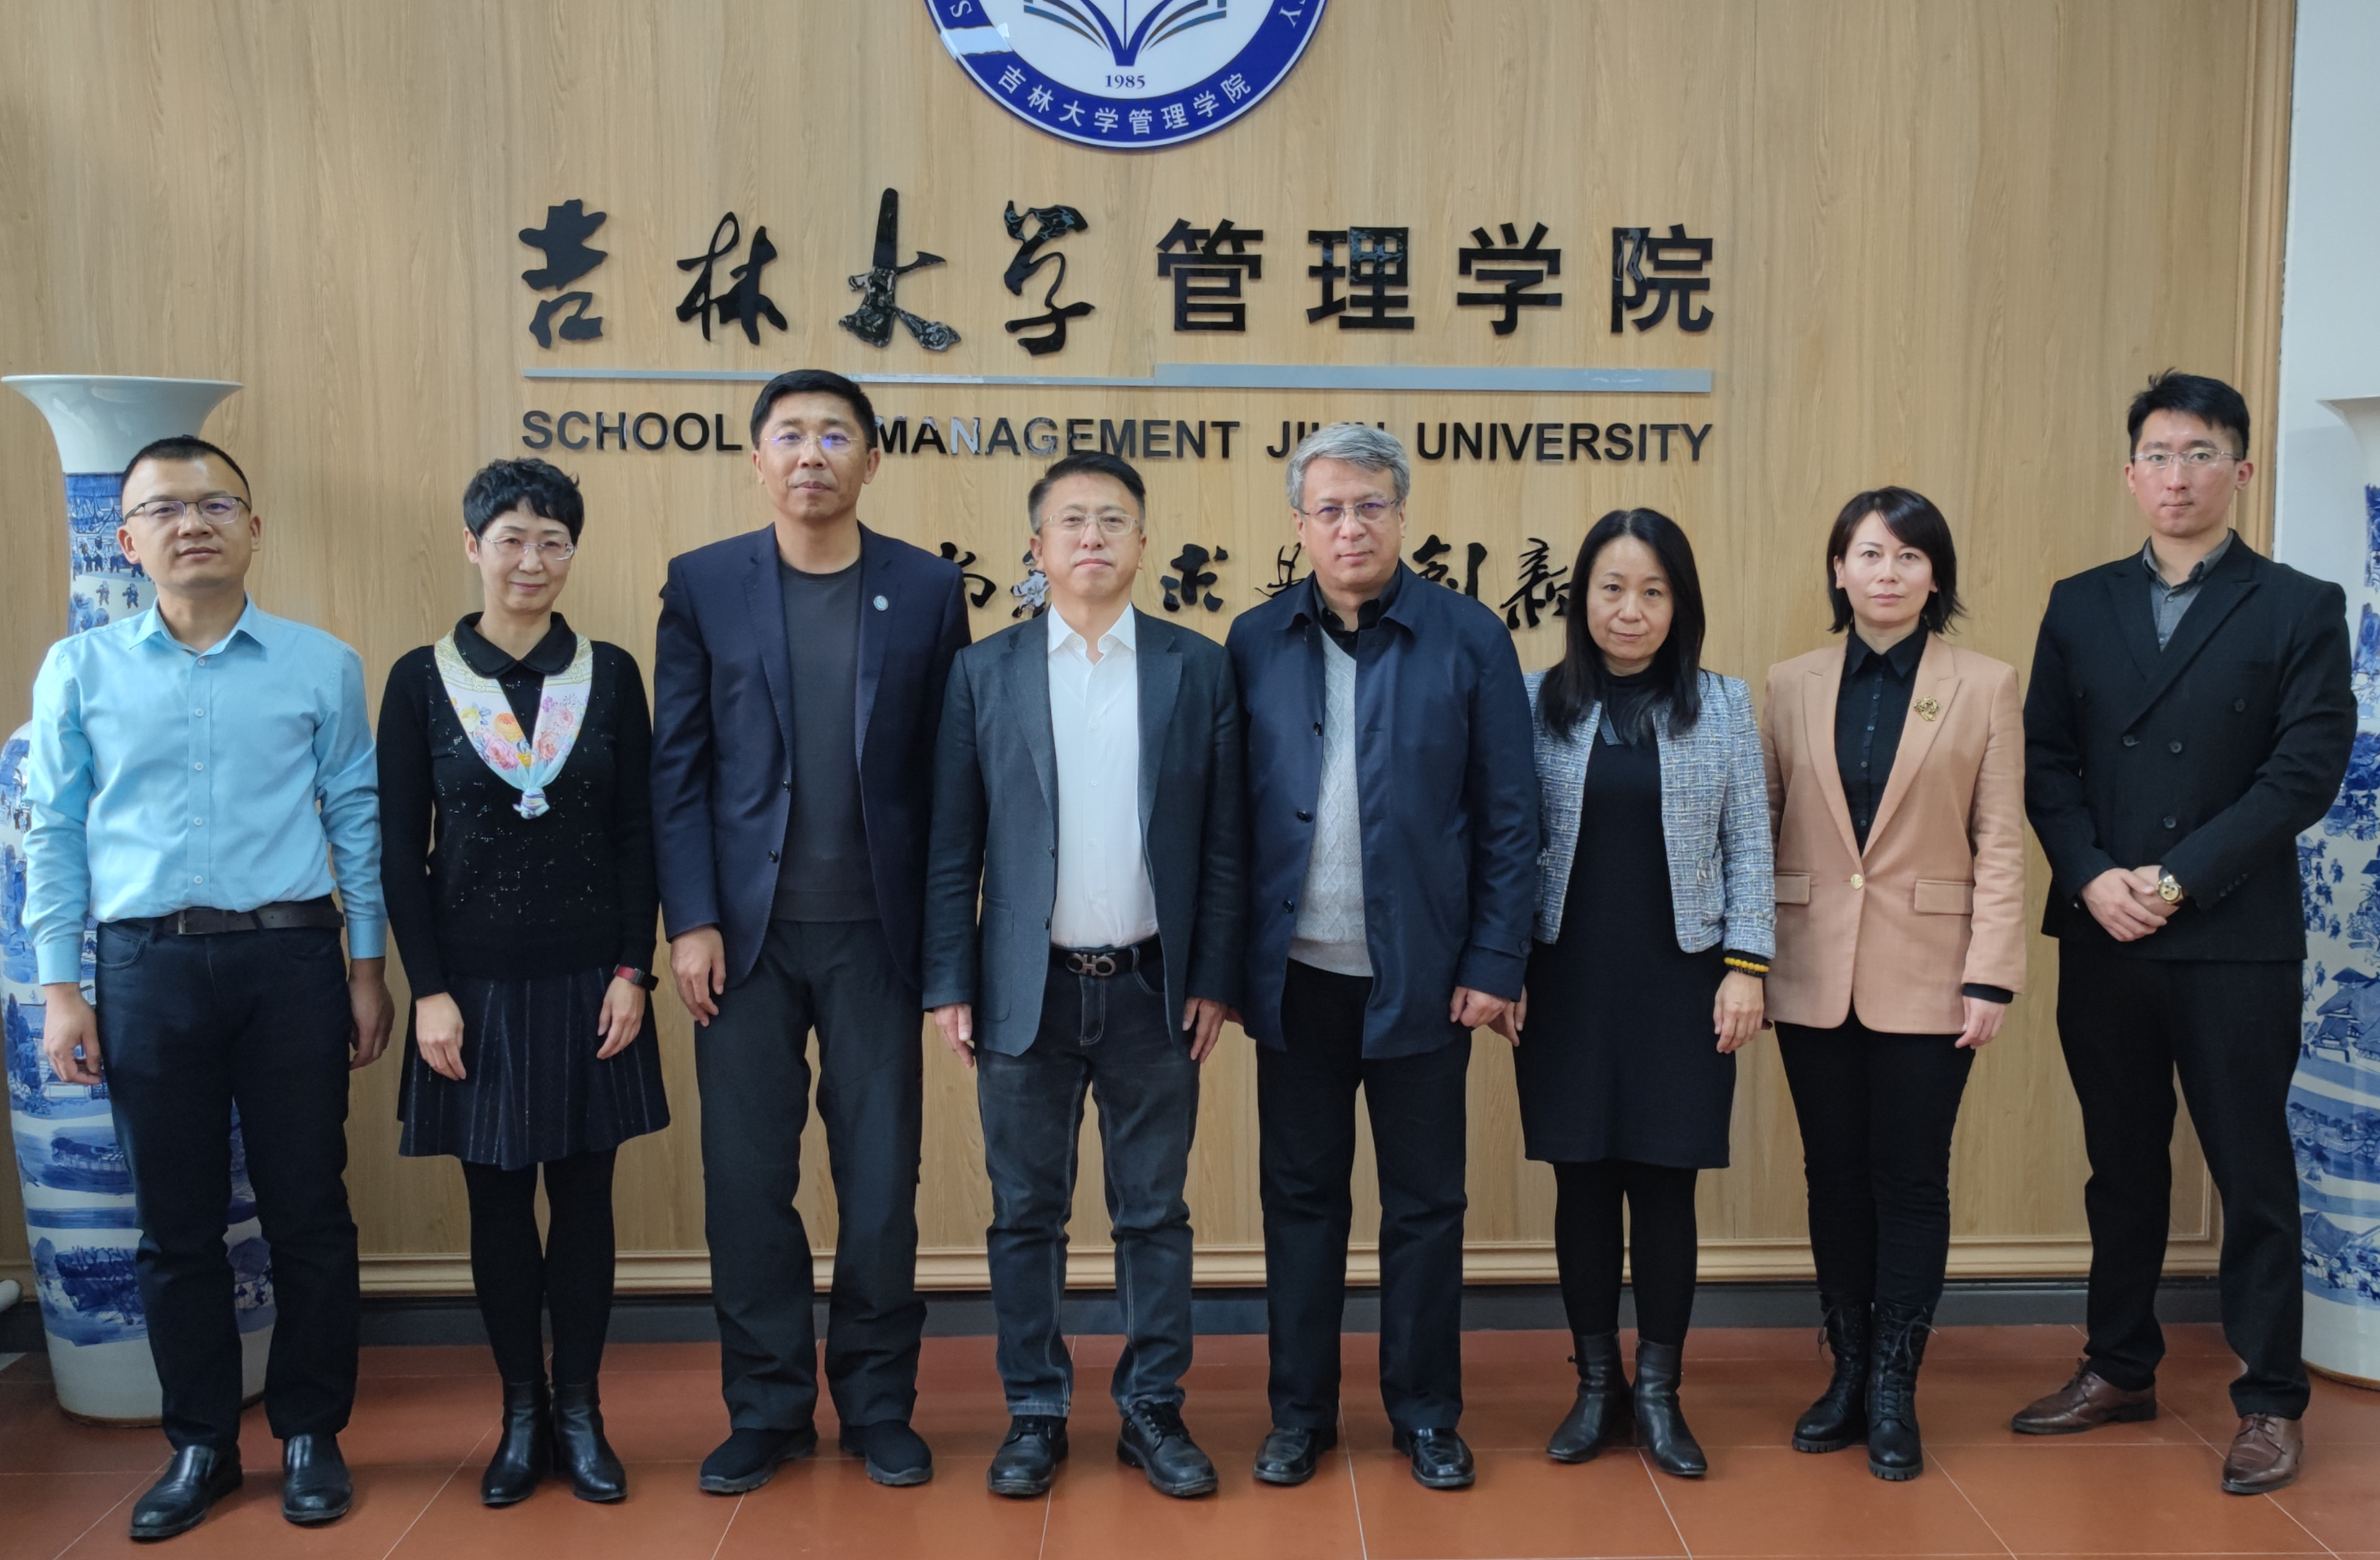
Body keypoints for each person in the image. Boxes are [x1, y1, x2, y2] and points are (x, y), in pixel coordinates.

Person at [25, 436, 393, 1539]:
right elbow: (54, 830)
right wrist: (60, 987)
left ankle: (312, 1430)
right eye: (164, 509)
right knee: (173, 1223)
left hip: (292, 961)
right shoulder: (79, 669)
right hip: (144, 969)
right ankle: (201, 1442)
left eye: (216, 503)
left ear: (253, 527)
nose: (192, 523)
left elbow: (356, 815)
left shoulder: (321, 663)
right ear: (128, 540)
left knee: (309, 1209)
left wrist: (366, 968)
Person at [2017, 371, 2353, 1495]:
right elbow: (2045, 760)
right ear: (2130, 473)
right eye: (2159, 455)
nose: (2178, 476)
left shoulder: (2298, 605)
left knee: (2252, 1172)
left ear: (2240, 470)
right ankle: (2119, 1364)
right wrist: (2092, 875)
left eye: (2201, 453)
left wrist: (2176, 877)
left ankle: (2270, 1400)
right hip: (2104, 930)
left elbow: (2304, 771)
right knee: (2120, 1165)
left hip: (2232, 935)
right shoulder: (2079, 603)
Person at [651, 369, 971, 1494]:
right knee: (748, 1181)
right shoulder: (704, 583)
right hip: (743, 942)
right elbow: (678, 769)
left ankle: (880, 1403)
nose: (812, 454)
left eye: (836, 435)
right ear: (757, 458)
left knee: (880, 1183)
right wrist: (690, 919)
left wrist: (948, 945)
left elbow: (948, 778)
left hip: (878, 936)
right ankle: (768, 1406)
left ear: (871, 460)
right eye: (789, 434)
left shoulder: (927, 589)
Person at [922, 451, 1245, 1500]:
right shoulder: (986, 672)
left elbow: (1228, 842)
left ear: (1143, 542)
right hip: (1027, 987)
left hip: (1157, 986)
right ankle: (1035, 1409)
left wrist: (1216, 974)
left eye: (1113, 519)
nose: (1093, 537)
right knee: (1026, 1212)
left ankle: (1154, 1407)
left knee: (1154, 1212)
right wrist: (949, 979)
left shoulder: (1198, 668)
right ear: (1038, 546)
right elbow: (952, 844)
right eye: (1071, 521)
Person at [1226, 423, 1537, 1492]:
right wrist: (1227, 970)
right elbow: (1227, 822)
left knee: (1426, 1206)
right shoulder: (1255, 640)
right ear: (1299, 524)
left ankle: (1427, 1414)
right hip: (1296, 977)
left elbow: (1510, 817)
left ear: (1402, 515)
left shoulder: (1469, 638)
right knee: (1301, 1202)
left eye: (1369, 506)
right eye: (1329, 509)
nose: (1349, 526)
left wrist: (1496, 959)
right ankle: (1300, 1414)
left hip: (1427, 977)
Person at [378, 458, 669, 1506]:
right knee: (496, 1202)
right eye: (511, 538)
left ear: (571, 552)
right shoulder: (421, 679)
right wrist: (429, 989)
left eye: (553, 540)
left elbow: (639, 837)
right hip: (474, 990)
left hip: (593, 981)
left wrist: (635, 969)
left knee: (585, 1200)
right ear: (474, 547)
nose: (532, 559)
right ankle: (520, 1412)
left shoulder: (610, 673)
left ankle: (581, 1410)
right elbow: (398, 850)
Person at [1760, 488, 2024, 1481]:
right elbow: (1764, 825)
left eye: (1910, 556)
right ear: (1839, 569)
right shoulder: (1790, 682)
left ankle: (1894, 1388)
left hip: (1935, 971)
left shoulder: (1984, 684)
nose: (1888, 572)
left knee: (1910, 1178)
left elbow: (2000, 840)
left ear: (1934, 574)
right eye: (1869, 554)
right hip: (1810, 966)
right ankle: (1847, 1368)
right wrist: (1748, 958)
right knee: (1833, 1174)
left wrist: (1991, 972)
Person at [1506, 508, 1771, 1481]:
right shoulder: (1534, 701)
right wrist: (1500, 966)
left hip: (1682, 977)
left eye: (1653, 591)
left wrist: (1747, 966)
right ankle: (1594, 1387)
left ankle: (1659, 1392)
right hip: (1565, 976)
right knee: (1581, 1182)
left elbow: (1751, 842)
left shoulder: (1723, 704)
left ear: (1680, 602)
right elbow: (1503, 842)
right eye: (1612, 588)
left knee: (1666, 1184)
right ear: (1581, 598)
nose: (1631, 609)